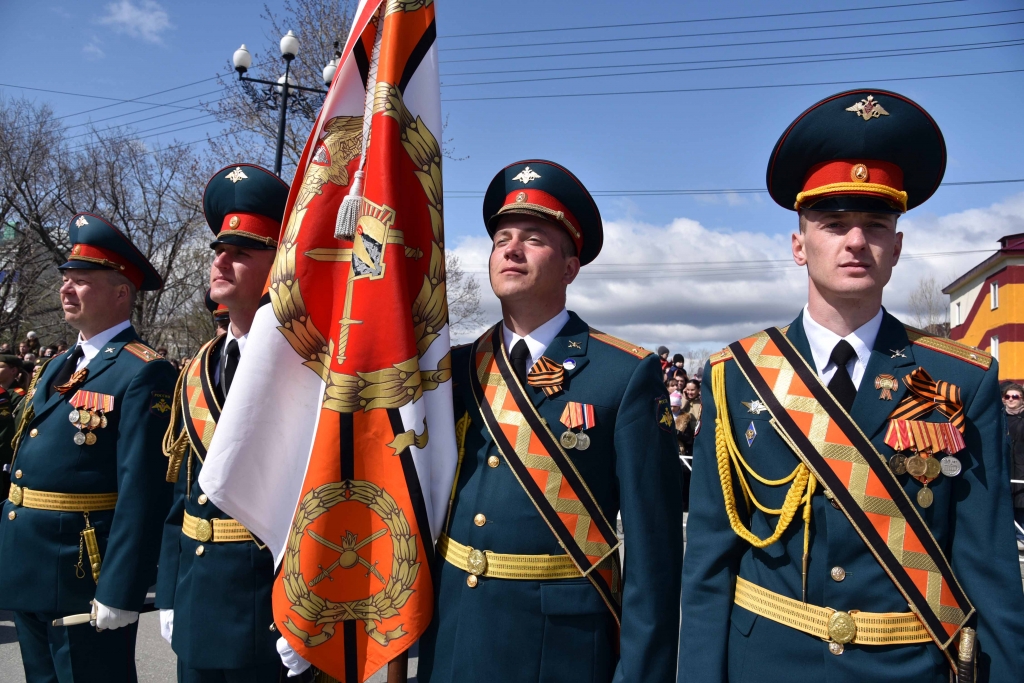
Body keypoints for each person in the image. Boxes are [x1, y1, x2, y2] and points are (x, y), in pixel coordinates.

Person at [679, 90, 1024, 682]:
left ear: (897, 247)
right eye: (834, 224)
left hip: (907, 664)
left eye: (875, 225)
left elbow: (989, 567)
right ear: (798, 245)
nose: (855, 241)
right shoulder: (736, 375)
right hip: (766, 664)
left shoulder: (961, 379)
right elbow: (708, 566)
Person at [417, 160, 683, 683]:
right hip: (454, 636)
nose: (511, 249)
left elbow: (654, 557)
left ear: (569, 267)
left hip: (557, 651)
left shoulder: (624, 374)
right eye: (502, 239)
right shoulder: (455, 371)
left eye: (534, 238)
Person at [0, 212, 177, 683]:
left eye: (82, 281)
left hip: (82, 571)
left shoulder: (143, 372)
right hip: (28, 564)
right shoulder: (58, 363)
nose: (66, 289)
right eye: (66, 280)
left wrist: (121, 588)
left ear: (121, 292)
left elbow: (142, 492)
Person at [156, 163, 291, 683]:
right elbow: (181, 495)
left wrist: (313, 612)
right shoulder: (195, 367)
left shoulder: (310, 368)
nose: (221, 261)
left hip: (268, 605)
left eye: (242, 252)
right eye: (219, 250)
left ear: (279, 264)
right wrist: (168, 590)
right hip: (196, 592)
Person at [0, 355, 26, 496]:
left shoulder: (19, 396)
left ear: (13, 371)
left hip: (6, 458)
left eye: (0, 366)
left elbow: (15, 429)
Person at [1004, 383, 1024, 551]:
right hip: (1006, 468)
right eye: (1007, 396)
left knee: (1021, 504)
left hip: (1022, 468)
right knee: (1007, 503)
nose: (1010, 400)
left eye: (1015, 396)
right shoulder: (999, 418)